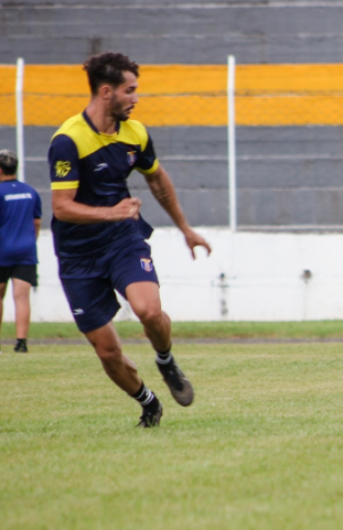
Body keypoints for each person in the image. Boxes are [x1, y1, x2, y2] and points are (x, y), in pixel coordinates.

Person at [48, 52, 211, 428]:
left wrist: (186, 229)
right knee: (107, 352)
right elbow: (62, 208)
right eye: (130, 90)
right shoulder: (68, 140)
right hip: (78, 255)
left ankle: (166, 360)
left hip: (123, 240)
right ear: (107, 92)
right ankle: (148, 402)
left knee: (149, 311)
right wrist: (111, 211)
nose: (136, 98)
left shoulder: (135, 133)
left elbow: (156, 180)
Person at [0, 150, 42, 354]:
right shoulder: (30, 191)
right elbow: (37, 222)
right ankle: (21, 343)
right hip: (26, 250)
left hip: (2, 251)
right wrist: (29, 242)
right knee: (22, 297)